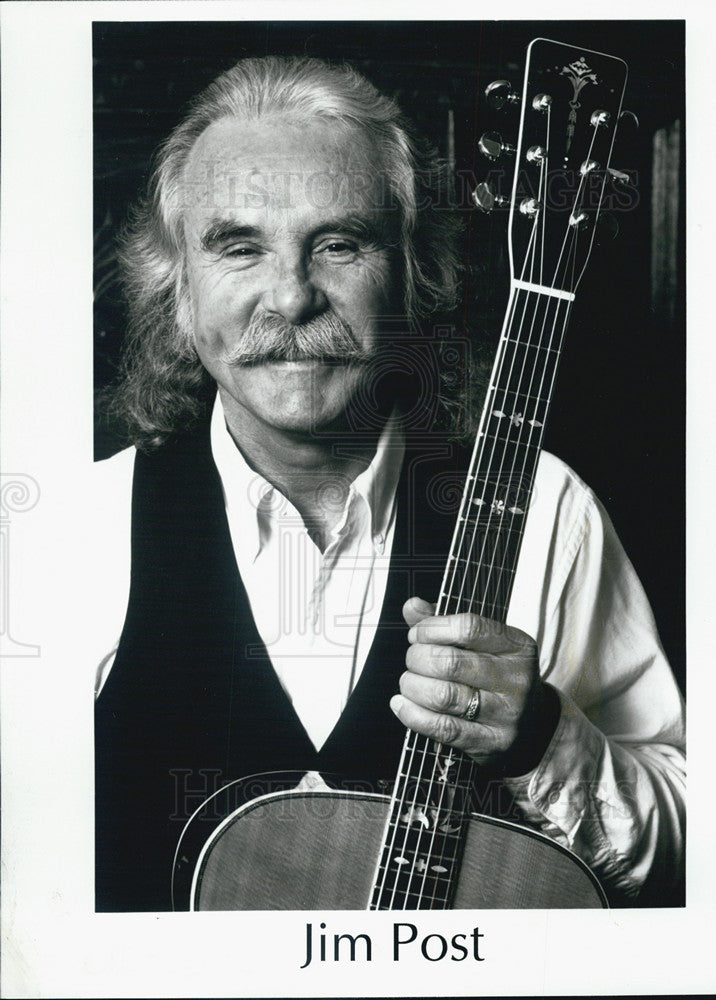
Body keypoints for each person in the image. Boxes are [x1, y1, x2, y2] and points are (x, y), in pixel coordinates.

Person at [92, 54, 685, 912]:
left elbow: (694, 849)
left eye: (340, 244)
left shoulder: (546, 509)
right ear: (175, 289)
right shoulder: (75, 528)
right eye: (238, 247)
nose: (290, 298)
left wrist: (544, 740)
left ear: (413, 275)